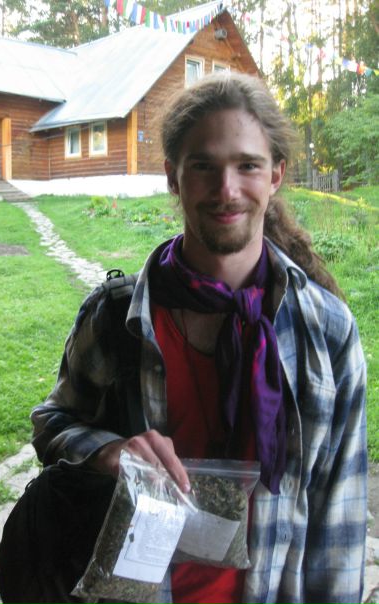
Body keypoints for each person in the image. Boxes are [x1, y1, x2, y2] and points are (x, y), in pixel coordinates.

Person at [30, 71, 367, 604]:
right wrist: (109, 452)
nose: (226, 190)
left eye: (247, 165)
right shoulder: (115, 319)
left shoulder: (326, 332)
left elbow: (337, 523)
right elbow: (52, 423)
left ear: (276, 175)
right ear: (173, 176)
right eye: (204, 166)